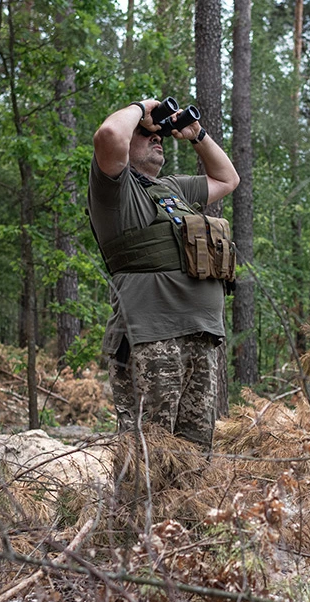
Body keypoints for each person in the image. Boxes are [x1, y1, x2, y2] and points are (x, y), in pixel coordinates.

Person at [88, 99, 240, 451]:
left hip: (201, 337)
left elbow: (228, 178)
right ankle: (135, 510)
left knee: (193, 457)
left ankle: (184, 511)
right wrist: (142, 109)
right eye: (145, 134)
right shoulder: (115, 189)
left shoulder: (173, 188)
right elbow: (109, 134)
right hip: (150, 338)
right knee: (148, 457)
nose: (157, 138)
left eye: (159, 135)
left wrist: (195, 134)